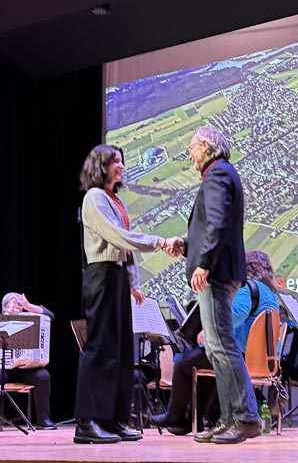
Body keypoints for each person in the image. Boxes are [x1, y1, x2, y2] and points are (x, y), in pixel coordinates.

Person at [74, 144, 181, 444]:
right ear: (101, 166)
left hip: (117, 275)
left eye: (122, 160)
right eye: (116, 162)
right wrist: (159, 241)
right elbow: (118, 237)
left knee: (121, 351)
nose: (121, 166)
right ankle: (87, 422)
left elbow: (126, 251)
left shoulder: (114, 199)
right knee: (99, 348)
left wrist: (132, 282)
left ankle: (114, 420)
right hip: (101, 274)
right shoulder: (94, 198)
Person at [171, 126, 262, 444]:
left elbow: (219, 222)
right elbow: (210, 228)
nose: (190, 154)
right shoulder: (220, 173)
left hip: (217, 273)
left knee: (221, 347)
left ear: (207, 146)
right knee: (216, 347)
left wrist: (204, 263)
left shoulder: (217, 174)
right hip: (220, 270)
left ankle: (245, 417)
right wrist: (185, 244)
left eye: (192, 147)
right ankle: (229, 419)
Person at [149, 250, 280, 436]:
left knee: (183, 363)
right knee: (208, 365)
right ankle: (195, 420)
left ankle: (174, 415)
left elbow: (234, 314)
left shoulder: (248, 288)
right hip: (258, 359)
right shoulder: (270, 295)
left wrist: (210, 329)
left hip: (238, 355)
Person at [1, 292, 56, 430]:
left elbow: (50, 316)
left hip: (26, 370)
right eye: (13, 305)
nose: (17, 309)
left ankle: (43, 419)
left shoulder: (29, 321)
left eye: (20, 306)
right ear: (4, 307)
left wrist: (28, 306)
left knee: (43, 376)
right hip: (5, 370)